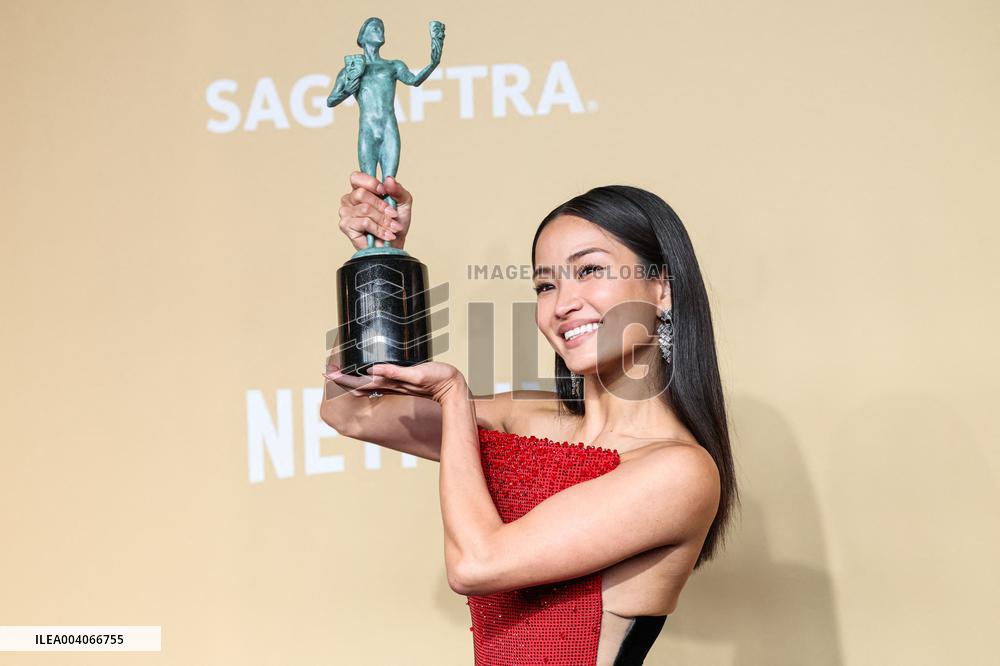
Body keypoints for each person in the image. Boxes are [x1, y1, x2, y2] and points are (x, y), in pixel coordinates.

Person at [322, 172, 739, 665]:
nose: (562, 304)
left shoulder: (679, 472)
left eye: (590, 271)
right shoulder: (523, 418)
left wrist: (454, 396)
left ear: (663, 288)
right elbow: (351, 410)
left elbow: (476, 565)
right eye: (545, 284)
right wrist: (380, 264)